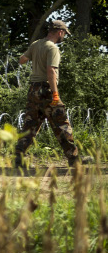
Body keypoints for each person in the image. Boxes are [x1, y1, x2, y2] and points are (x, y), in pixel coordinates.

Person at [14, 20, 80, 168]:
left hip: (33, 90)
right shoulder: (53, 48)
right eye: (64, 34)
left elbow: (22, 60)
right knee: (61, 124)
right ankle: (74, 158)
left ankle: (18, 158)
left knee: (30, 124)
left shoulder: (36, 44)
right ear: (60, 32)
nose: (63, 37)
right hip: (47, 90)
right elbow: (51, 71)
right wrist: (55, 94)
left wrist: (35, 58)